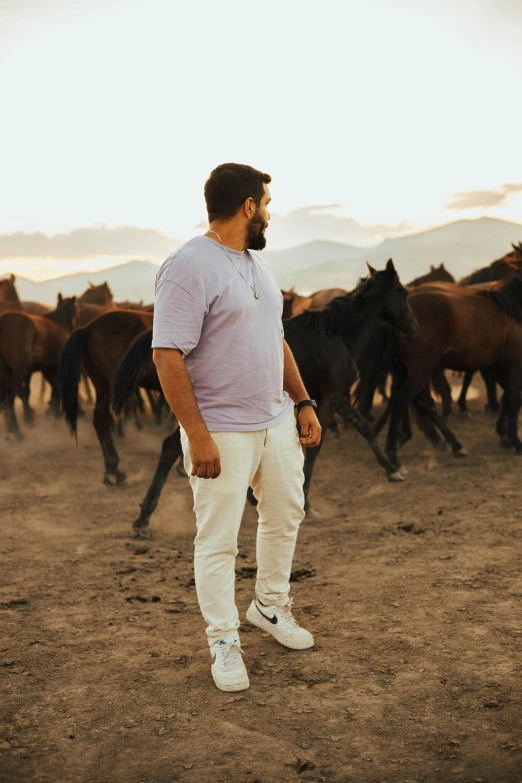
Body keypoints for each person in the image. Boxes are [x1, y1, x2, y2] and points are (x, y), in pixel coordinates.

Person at [152, 163, 321, 692]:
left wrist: (303, 399)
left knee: (285, 514)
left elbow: (277, 339)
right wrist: (197, 435)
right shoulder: (188, 265)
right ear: (248, 206)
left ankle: (269, 607)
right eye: (266, 204)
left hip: (276, 421)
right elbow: (166, 355)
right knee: (219, 539)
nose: (268, 213)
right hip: (221, 430)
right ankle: (223, 640)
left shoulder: (255, 265)